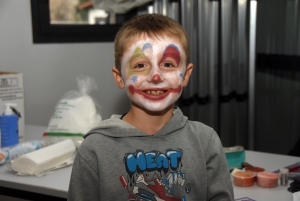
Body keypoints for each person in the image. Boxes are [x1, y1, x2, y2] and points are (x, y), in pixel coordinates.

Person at [67, 13, 234, 201]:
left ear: (186, 75)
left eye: (168, 64)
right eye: (140, 65)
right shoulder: (94, 149)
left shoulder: (206, 142)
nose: (155, 76)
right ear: (119, 77)